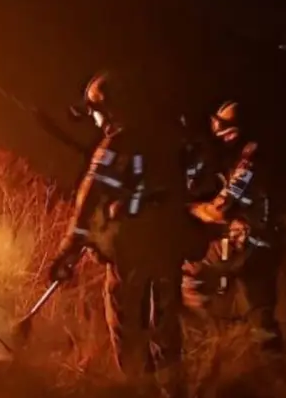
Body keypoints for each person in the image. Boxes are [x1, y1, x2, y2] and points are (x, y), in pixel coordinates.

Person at [48, 71, 186, 376]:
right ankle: (172, 389)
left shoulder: (116, 145)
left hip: (133, 248)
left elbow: (90, 198)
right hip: (170, 244)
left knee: (126, 322)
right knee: (165, 323)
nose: (95, 120)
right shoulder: (169, 137)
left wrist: (69, 247)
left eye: (96, 112)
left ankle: (138, 390)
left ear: (110, 110)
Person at [181, 100, 285, 351]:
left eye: (219, 124)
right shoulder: (258, 156)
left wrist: (190, 209)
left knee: (189, 276)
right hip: (265, 244)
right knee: (261, 312)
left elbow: (221, 208)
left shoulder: (248, 162)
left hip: (244, 242)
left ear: (232, 131)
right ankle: (272, 362)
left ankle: (214, 336)